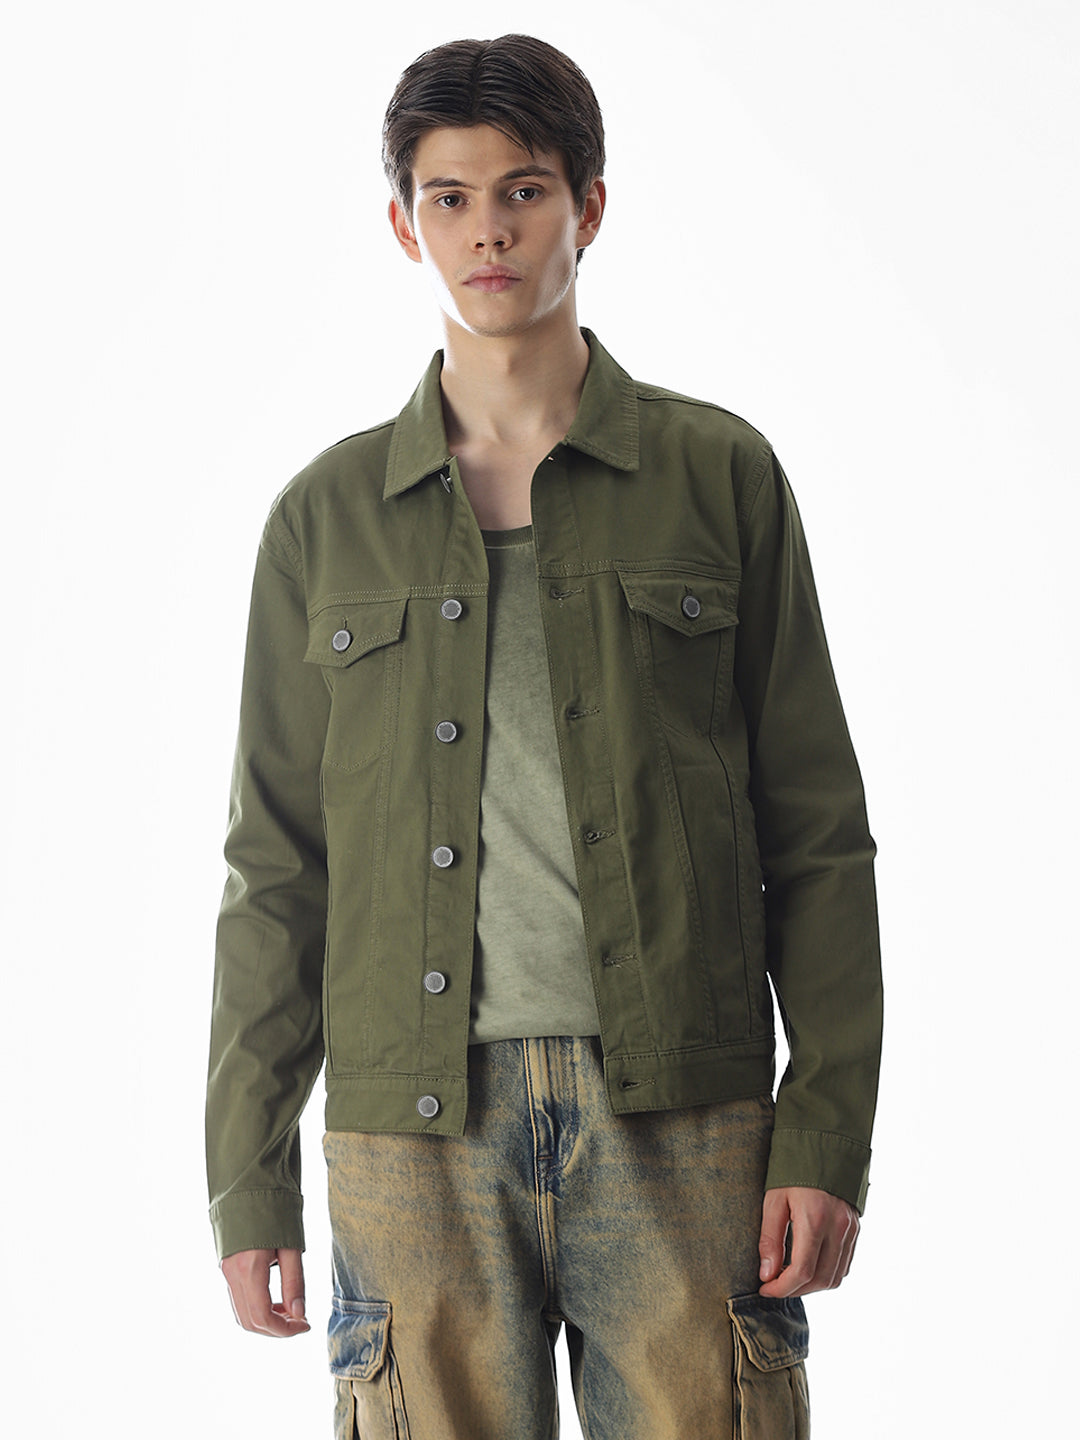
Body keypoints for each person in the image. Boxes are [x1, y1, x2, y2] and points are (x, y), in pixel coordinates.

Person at [206, 33, 882, 1439]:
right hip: (412, 1136)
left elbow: (817, 834)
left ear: (590, 206)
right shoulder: (325, 520)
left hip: (685, 1124)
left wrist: (824, 1128)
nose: (489, 232)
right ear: (405, 226)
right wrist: (246, 1169)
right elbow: (277, 868)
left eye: (523, 191)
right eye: (449, 199)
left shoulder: (720, 477)